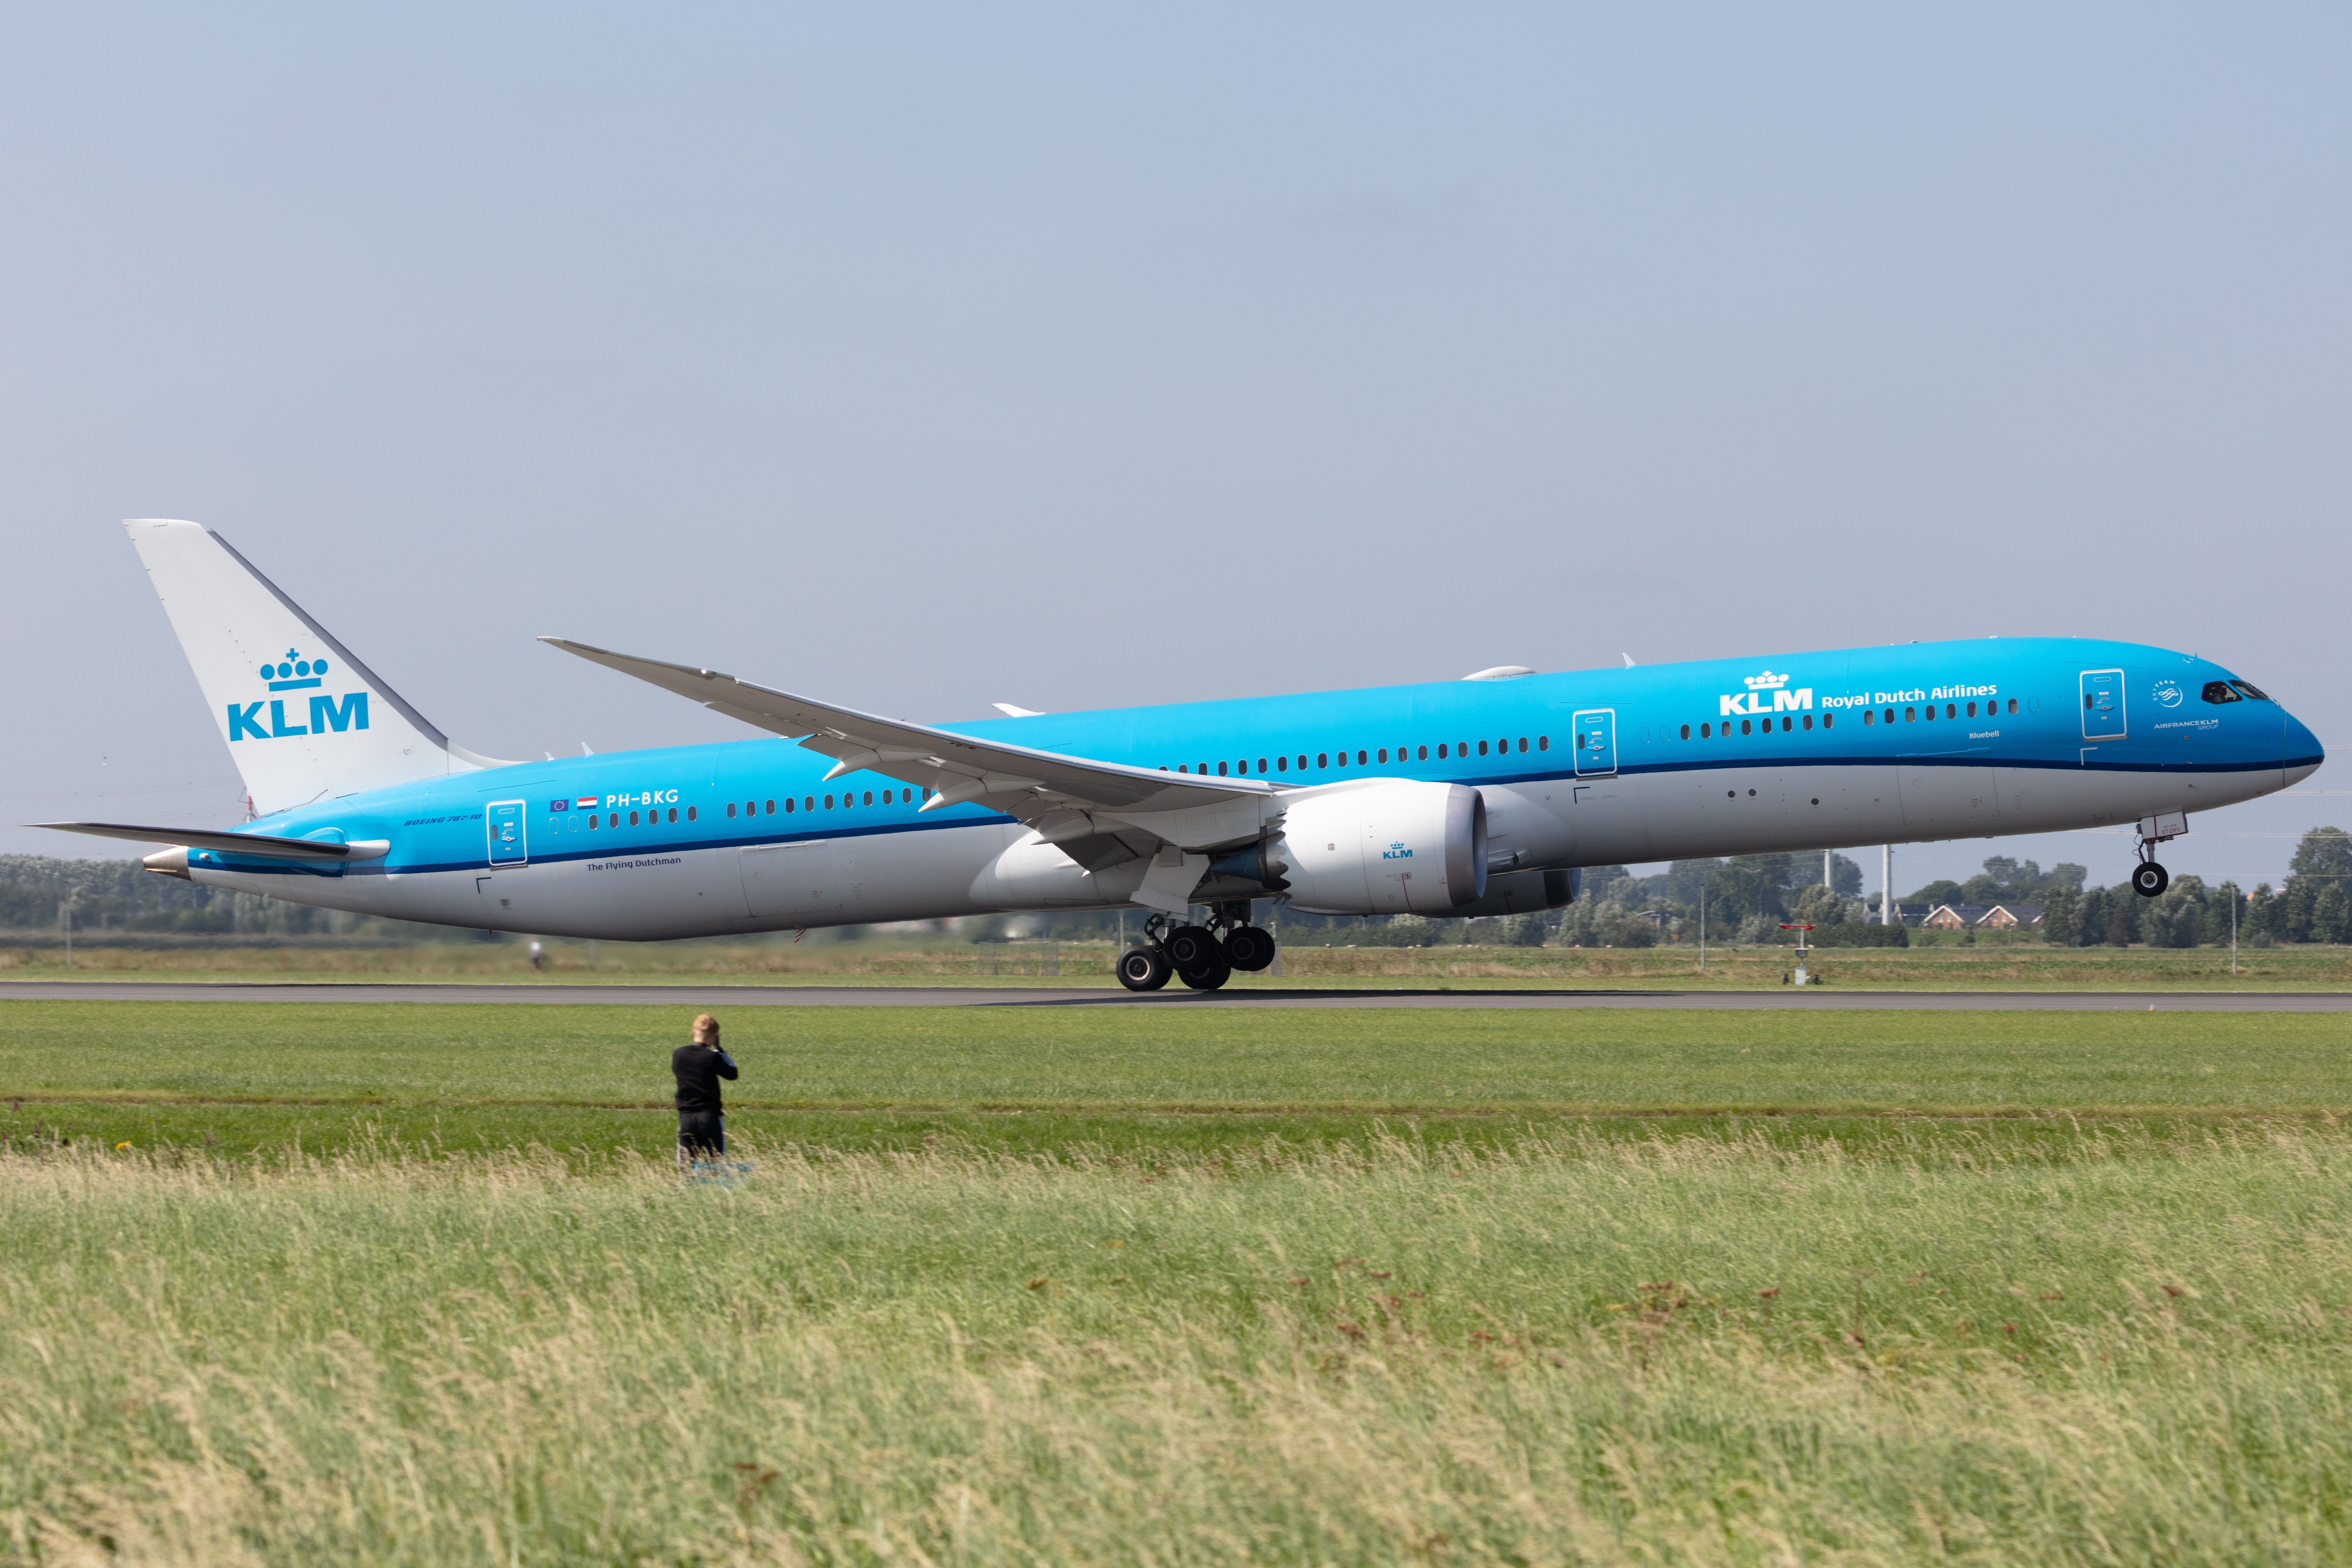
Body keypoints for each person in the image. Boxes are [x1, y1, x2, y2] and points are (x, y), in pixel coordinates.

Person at [672, 1012, 737, 1169]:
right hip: (710, 1118)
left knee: (685, 1169)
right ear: (715, 1036)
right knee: (715, 1167)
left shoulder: (679, 1055)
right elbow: (733, 1074)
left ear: (694, 1032)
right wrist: (720, 1050)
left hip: (687, 1117)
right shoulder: (712, 1058)